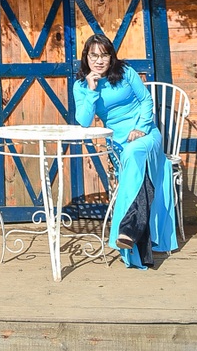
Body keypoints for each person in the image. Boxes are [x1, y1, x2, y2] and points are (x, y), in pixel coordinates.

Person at [73, 34, 177, 269]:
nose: (99, 61)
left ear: (112, 56)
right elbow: (84, 121)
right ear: (86, 57)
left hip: (147, 135)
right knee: (131, 159)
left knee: (134, 153)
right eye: (94, 55)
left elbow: (146, 101)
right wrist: (91, 90)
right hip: (119, 144)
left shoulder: (126, 72)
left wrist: (141, 127)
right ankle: (137, 244)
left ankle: (128, 228)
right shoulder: (81, 86)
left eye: (104, 55)